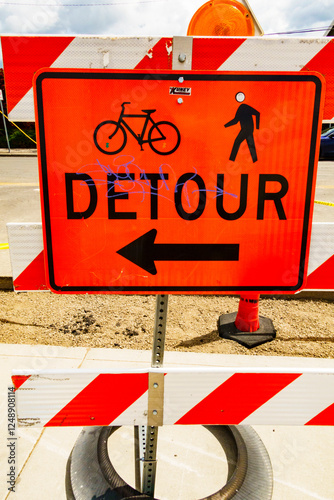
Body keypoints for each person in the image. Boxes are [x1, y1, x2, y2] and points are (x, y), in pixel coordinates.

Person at [224, 92, 260, 163]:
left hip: (246, 129)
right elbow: (235, 121)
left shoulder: (243, 107)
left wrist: (257, 127)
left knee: (237, 142)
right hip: (248, 129)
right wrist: (225, 126)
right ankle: (255, 160)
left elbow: (257, 113)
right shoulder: (240, 109)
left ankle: (231, 159)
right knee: (251, 144)